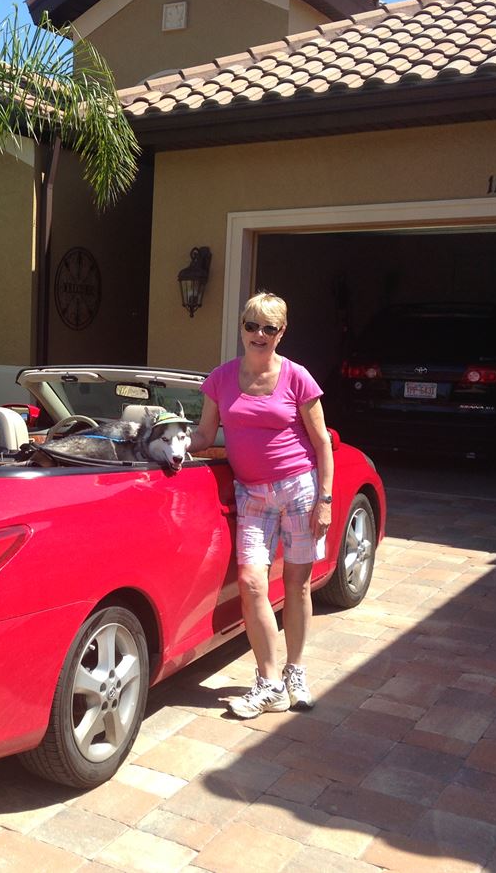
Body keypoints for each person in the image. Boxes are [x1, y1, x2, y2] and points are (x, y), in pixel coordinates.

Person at [188, 292, 333, 717]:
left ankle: (296, 670)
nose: (259, 334)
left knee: (297, 584)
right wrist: (174, 444)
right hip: (252, 495)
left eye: (270, 328)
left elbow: (322, 443)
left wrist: (324, 500)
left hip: (299, 489)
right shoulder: (220, 378)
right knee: (252, 583)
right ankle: (268, 682)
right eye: (252, 325)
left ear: (281, 332)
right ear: (241, 327)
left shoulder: (297, 378)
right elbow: (204, 435)